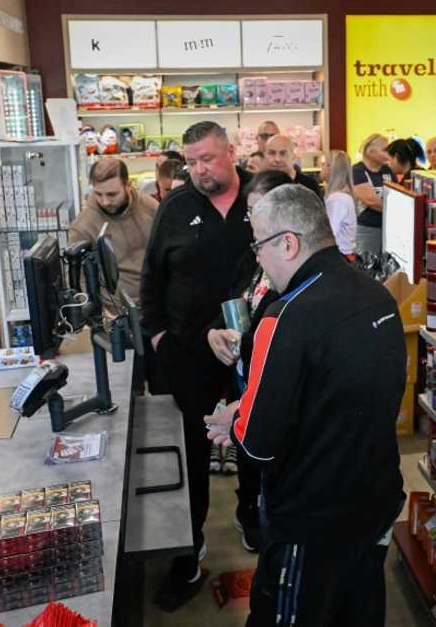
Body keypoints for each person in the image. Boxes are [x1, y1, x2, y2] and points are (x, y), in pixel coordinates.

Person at [205, 184, 405, 627]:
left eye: (258, 244)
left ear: (288, 243)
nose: (256, 257)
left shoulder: (284, 316)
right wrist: (246, 411)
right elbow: (338, 395)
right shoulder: (378, 295)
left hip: (311, 521)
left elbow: (258, 445)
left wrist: (238, 419)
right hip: (375, 501)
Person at [140, 121, 253, 611]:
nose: (200, 170)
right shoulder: (176, 208)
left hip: (255, 351)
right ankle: (189, 553)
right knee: (189, 456)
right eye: (192, 162)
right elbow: (152, 283)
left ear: (230, 152)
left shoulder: (263, 198)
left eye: (208, 158)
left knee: (258, 441)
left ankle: (253, 518)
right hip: (188, 356)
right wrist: (164, 338)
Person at [206, 169, 294, 552]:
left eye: (259, 212)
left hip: (272, 395)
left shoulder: (295, 274)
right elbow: (231, 301)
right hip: (244, 382)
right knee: (248, 458)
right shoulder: (253, 256)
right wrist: (214, 333)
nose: (252, 224)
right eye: (249, 212)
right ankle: (248, 511)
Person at [69, 158, 158, 318]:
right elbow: (79, 280)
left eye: (112, 194)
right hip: (117, 314)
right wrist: (102, 314)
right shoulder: (83, 225)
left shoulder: (148, 206)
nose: (105, 201)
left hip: (157, 305)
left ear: (128, 185)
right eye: (98, 194)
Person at [352, 133, 395, 257]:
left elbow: (398, 195)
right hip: (367, 229)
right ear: (370, 151)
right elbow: (371, 201)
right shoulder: (357, 171)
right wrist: (396, 212)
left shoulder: (387, 170)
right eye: (385, 150)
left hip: (388, 229)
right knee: (367, 267)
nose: (389, 154)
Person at [260, 134, 324, 200]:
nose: (277, 159)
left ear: (293, 156)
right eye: (272, 153)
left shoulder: (309, 186)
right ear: (265, 156)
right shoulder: (260, 185)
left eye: (283, 153)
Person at [321, 150, 357, 259]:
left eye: (324, 164)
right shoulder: (341, 196)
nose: (321, 167)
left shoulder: (338, 199)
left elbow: (330, 231)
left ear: (331, 168)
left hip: (338, 256)